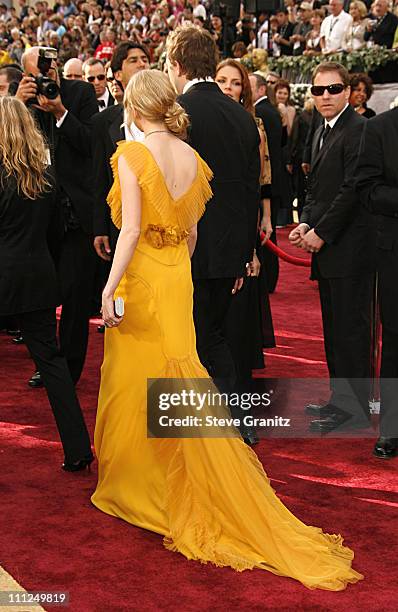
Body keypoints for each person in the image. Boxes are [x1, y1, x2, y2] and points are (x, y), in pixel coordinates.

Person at [91, 68, 363, 591]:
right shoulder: (193, 158)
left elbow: (128, 230)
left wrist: (109, 287)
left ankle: (141, 487)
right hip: (176, 276)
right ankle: (178, 477)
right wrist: (175, 269)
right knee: (179, 376)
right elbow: (191, 233)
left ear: (136, 103)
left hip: (144, 275)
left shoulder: (131, 155)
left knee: (134, 379)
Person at [166, 26, 260, 396]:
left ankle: (223, 426)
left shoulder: (176, 113)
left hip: (184, 251)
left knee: (195, 341)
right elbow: (249, 192)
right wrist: (244, 254)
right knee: (213, 337)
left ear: (177, 65)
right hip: (228, 253)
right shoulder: (241, 117)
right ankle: (232, 420)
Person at [0, 96, 92, 471]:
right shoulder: (44, 177)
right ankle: (78, 450)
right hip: (36, 276)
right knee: (52, 364)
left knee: (51, 363)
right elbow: (54, 234)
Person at [289, 62, 373, 433]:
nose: (325, 96)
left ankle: (355, 410)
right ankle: (341, 402)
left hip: (351, 251)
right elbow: (316, 188)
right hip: (329, 250)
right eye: (318, 90)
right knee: (334, 329)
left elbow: (352, 190)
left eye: (333, 89)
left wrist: (320, 232)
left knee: (352, 331)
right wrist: (305, 222)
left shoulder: (359, 130)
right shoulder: (320, 128)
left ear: (349, 91)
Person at [16, 46, 98, 388]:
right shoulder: (18, 100)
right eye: (37, 73)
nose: (44, 77)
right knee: (40, 297)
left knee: (76, 300)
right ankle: (46, 363)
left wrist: (61, 110)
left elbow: (91, 144)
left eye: (48, 70)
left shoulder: (79, 92)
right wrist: (19, 104)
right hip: (35, 214)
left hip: (75, 215)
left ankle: (69, 370)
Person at [355, 108, 398, 459]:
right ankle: (392, 428)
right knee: (396, 338)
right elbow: (367, 189)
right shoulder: (380, 128)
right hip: (395, 252)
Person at [249, 72, 283, 293]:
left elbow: (265, 165)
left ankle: (267, 280)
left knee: (266, 242)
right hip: (269, 185)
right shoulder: (272, 111)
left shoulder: (259, 116)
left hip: (263, 187)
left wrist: (267, 214)